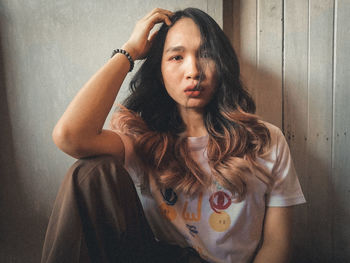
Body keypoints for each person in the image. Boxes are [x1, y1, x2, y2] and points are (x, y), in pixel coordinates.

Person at [41, 7, 306, 263]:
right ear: (159, 71)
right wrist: (129, 51)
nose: (193, 72)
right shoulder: (142, 139)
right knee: (89, 172)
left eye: (206, 54)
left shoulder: (265, 140)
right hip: (159, 255)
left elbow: (277, 242)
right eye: (176, 57)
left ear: (222, 65)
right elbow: (70, 136)